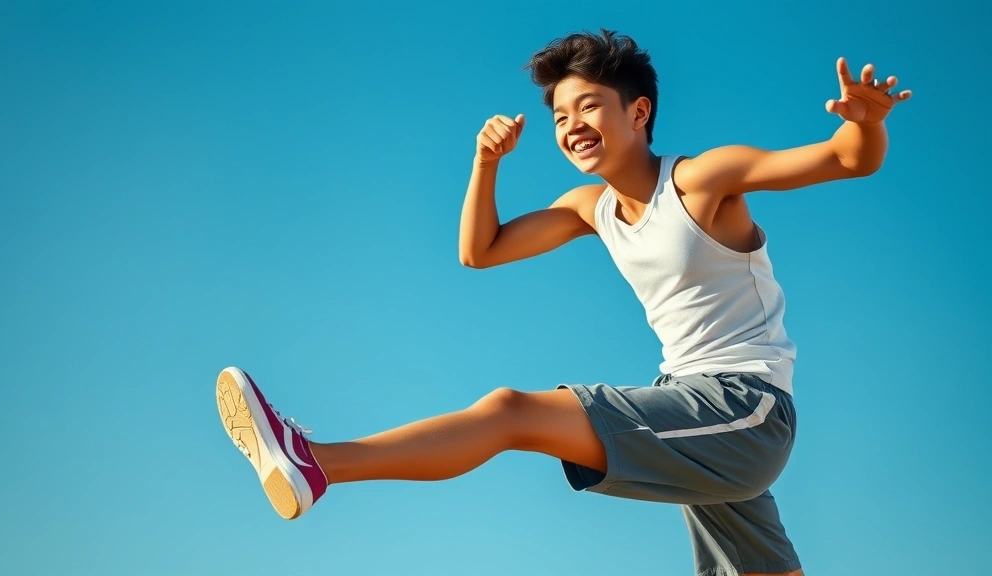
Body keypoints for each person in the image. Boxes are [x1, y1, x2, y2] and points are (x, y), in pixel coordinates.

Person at [214, 29, 910, 576]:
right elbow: (480, 250)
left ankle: (316, 461)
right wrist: (486, 163)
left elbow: (848, 158)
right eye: (560, 115)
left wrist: (867, 121)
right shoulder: (589, 208)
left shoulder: (702, 180)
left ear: (639, 112)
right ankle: (315, 462)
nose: (572, 123)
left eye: (589, 106)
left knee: (511, 412)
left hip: (743, 408)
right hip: (691, 411)